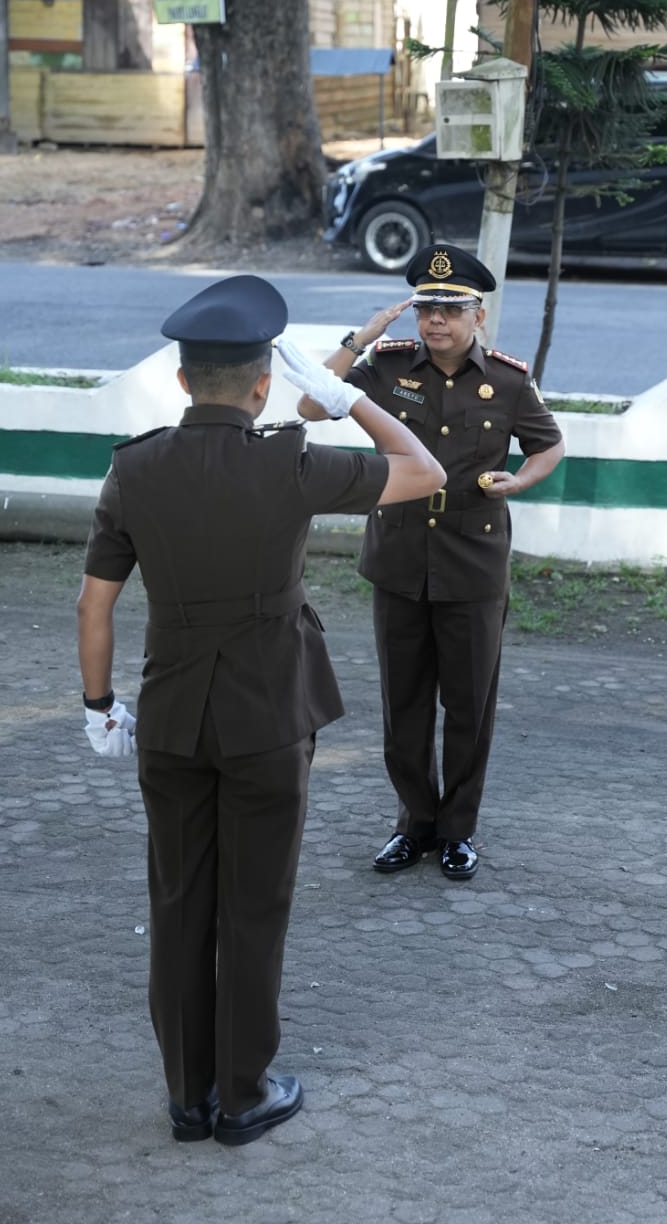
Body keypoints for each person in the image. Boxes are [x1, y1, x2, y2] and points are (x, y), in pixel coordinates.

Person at [76, 274, 444, 1147]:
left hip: (168, 721)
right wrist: (347, 395)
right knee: (252, 905)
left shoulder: (133, 467)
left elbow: (94, 607)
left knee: (178, 904)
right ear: (263, 383)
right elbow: (425, 471)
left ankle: (187, 1097)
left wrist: (98, 706)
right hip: (269, 720)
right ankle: (244, 1096)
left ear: (179, 381)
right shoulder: (291, 458)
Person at [295, 244, 565, 881]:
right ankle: (413, 824)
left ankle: (459, 830)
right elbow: (311, 405)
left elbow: (549, 446)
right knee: (406, 703)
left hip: (472, 564)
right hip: (399, 560)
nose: (435, 321)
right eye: (425, 309)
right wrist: (358, 338)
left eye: (449, 309)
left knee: (469, 706)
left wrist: (520, 483)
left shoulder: (508, 378)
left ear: (478, 314)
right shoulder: (385, 367)